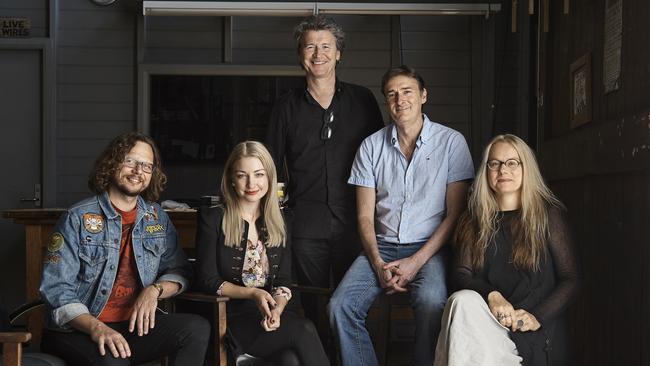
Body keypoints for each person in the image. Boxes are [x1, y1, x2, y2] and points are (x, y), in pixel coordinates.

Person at [328, 65, 475, 366]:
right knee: (339, 307)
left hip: (430, 248)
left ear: (423, 95)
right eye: (392, 94)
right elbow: (365, 218)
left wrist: (414, 262)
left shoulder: (451, 142)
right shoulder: (371, 147)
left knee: (432, 302)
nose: (400, 100)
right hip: (380, 247)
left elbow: (455, 214)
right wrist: (378, 263)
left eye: (407, 91)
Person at [39, 132, 209, 365]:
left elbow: (180, 270)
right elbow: (56, 288)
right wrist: (97, 328)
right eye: (130, 161)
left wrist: (154, 290)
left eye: (146, 166)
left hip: (131, 327)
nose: (138, 171)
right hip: (78, 330)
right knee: (114, 361)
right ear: (112, 163)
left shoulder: (156, 217)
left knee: (195, 329)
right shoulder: (77, 217)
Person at [265, 15, 384, 308]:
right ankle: (319, 355)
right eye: (310, 47)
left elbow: (383, 161)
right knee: (314, 306)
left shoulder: (363, 100)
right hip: (306, 226)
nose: (318, 55)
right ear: (300, 55)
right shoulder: (285, 107)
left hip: (357, 224)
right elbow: (268, 167)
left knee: (354, 306)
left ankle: (349, 356)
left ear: (339, 53)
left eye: (326, 46)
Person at [434, 134, 579, 366]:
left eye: (512, 162)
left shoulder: (548, 216)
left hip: (534, 332)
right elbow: (460, 275)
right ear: (487, 171)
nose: (503, 170)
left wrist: (537, 317)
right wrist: (493, 296)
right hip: (488, 328)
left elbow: (570, 279)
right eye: (495, 163)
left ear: (526, 168)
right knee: (462, 302)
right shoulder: (473, 219)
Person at [195, 141, 329, 366]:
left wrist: (277, 309)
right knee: (304, 329)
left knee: (290, 361)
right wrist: (252, 294)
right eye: (242, 175)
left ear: (269, 177)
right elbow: (207, 280)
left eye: (258, 174)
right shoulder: (213, 218)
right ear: (231, 179)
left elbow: (285, 280)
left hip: (269, 318)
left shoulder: (281, 220)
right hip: (229, 321)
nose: (251, 184)